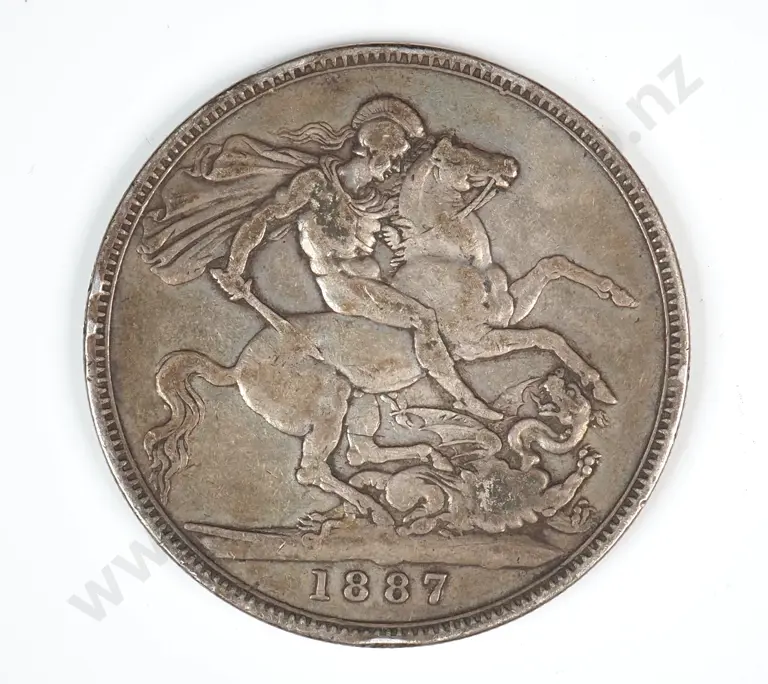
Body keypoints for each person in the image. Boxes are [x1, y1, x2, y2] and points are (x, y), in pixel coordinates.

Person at [210, 96, 502, 421]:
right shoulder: (317, 185)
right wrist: (235, 266)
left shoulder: (374, 198)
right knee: (422, 318)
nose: (396, 167)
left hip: (370, 280)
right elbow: (264, 217)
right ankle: (464, 398)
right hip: (343, 285)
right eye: (394, 158)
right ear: (374, 149)